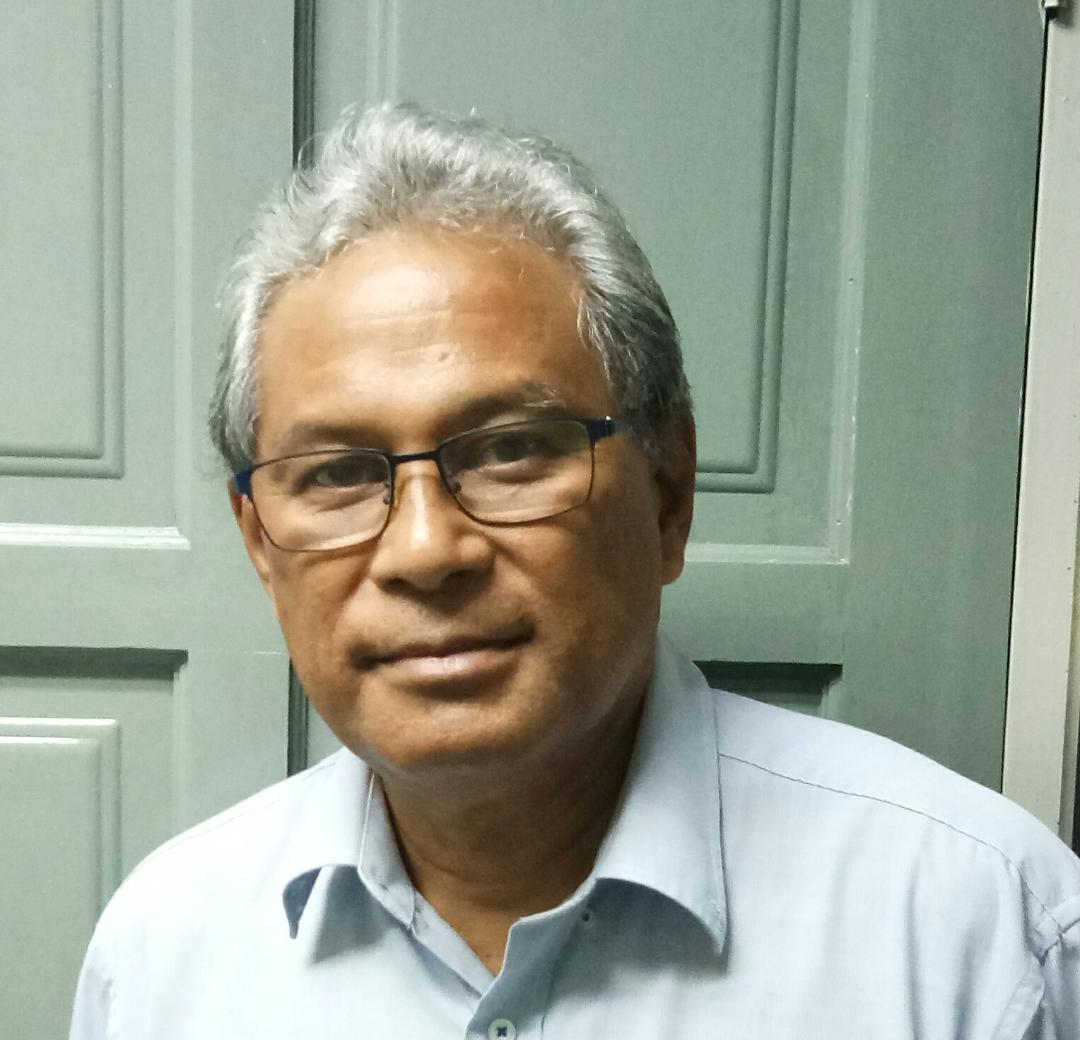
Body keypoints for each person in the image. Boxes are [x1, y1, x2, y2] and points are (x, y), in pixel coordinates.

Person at [70, 102, 1079, 1039]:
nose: (425, 550)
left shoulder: (982, 934)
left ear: (668, 493)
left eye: (512, 449)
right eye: (335, 473)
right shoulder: (164, 958)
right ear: (259, 541)